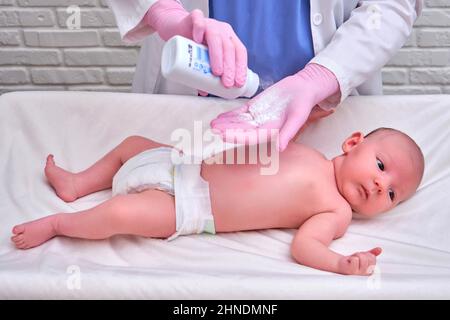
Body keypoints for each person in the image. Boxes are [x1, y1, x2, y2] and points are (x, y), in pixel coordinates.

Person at [11, 128, 424, 276]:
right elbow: (274, 126)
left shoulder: (335, 211)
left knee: (120, 214)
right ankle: (78, 183)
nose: (378, 184)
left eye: (392, 193)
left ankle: (60, 224)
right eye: (382, 165)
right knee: (132, 145)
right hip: (185, 161)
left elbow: (305, 246)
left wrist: (341, 263)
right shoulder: (309, 150)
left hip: (193, 207)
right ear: (353, 143)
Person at [106, 0, 422, 150]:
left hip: (319, 108)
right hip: (192, 93)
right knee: (168, 181)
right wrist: (164, 14)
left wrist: (322, 76)